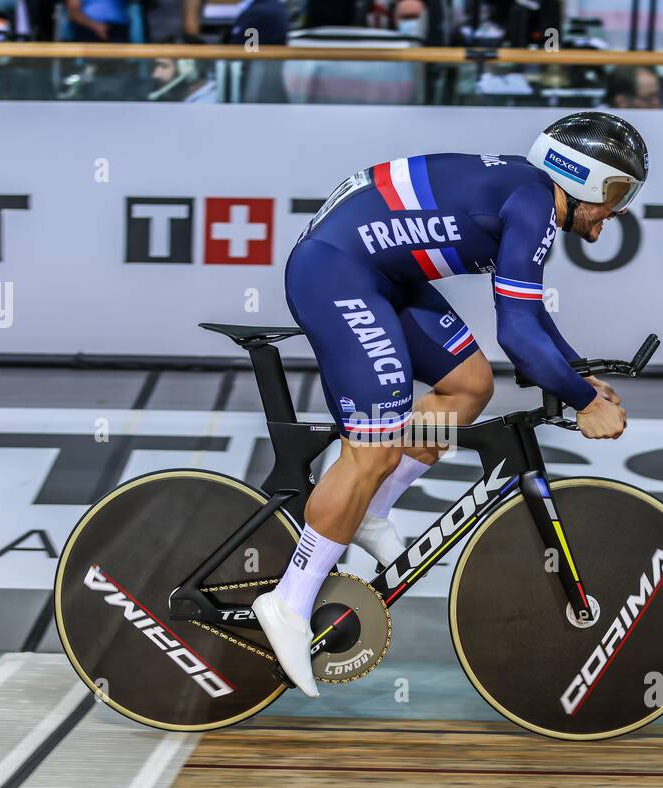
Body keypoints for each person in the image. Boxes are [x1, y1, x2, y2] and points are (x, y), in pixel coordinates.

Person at [253, 112, 641, 696]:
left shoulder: (531, 196)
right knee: (374, 450)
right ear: (580, 176)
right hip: (337, 271)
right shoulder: (534, 204)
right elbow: (516, 334)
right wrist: (582, 399)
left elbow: (529, 315)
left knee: (469, 386)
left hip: (380, 272)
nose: (617, 210)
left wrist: (577, 374)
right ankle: (288, 601)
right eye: (616, 192)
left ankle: (370, 512)